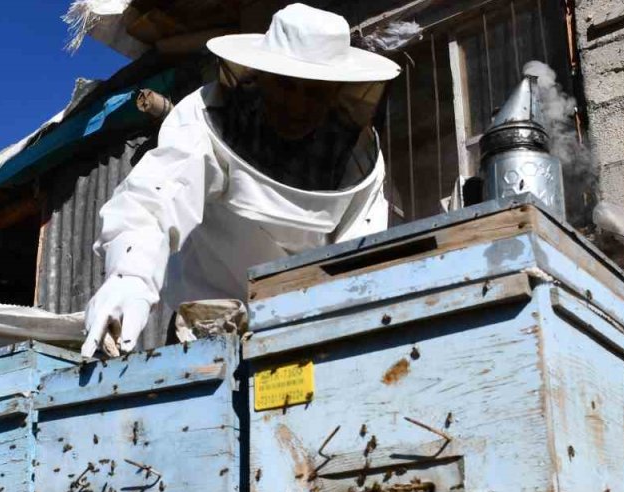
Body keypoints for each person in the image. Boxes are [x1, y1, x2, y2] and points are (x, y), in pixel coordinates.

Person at [81, 3, 401, 357]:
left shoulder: (355, 157)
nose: (297, 105)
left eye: (314, 91)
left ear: (336, 92)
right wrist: (131, 277)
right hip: (203, 332)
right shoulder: (205, 120)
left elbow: (358, 255)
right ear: (261, 76)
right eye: (286, 85)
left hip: (305, 333)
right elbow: (154, 197)